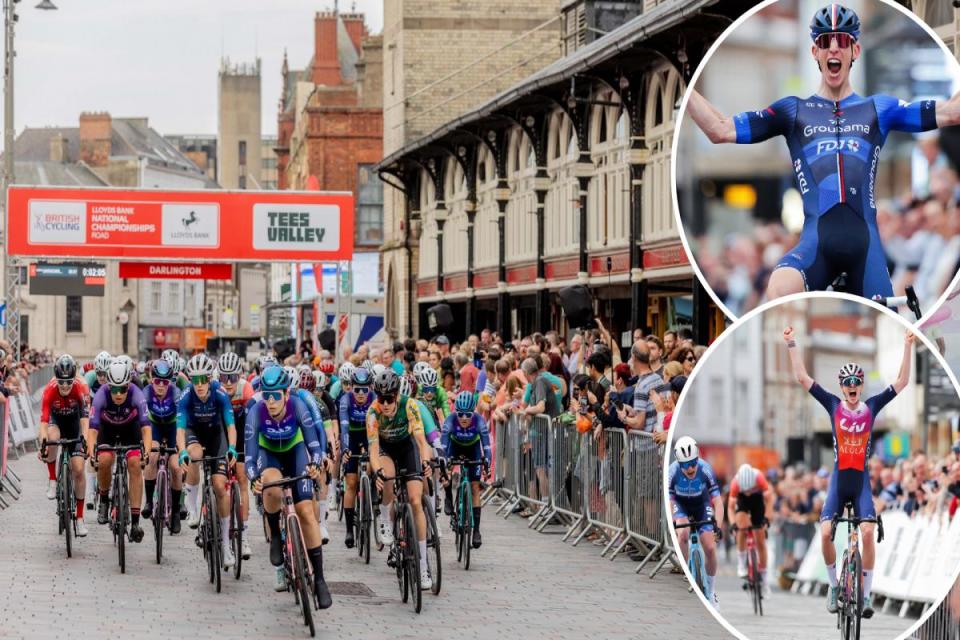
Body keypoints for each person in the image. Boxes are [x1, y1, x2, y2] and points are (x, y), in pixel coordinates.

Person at [686, 3, 960, 301]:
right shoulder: (793, 110)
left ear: (855, 51)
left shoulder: (880, 108)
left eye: (842, 41)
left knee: (889, 329)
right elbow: (719, 130)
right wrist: (683, 83)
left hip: (865, 248)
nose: (833, 49)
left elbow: (951, 112)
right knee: (778, 288)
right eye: (824, 42)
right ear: (814, 52)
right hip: (816, 243)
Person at [784, 325, 913, 617]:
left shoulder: (871, 406)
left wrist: (906, 345)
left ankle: (866, 597)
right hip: (840, 481)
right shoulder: (832, 405)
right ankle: (833, 586)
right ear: (842, 386)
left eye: (857, 381)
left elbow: (902, 382)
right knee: (827, 531)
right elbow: (802, 378)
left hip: (861, 482)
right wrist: (792, 343)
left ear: (861, 384)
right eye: (847, 382)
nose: (852, 386)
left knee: (867, 533)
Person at [246, 366, 332, 607]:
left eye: (276, 395)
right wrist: (254, 478)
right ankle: (275, 535)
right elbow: (250, 459)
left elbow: (314, 446)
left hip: (295, 452)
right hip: (269, 453)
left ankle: (320, 580)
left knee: (306, 512)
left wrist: (315, 463)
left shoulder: (298, 406)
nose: (271, 401)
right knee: (270, 484)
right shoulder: (256, 412)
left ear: (286, 393)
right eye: (266, 395)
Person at [366, 369, 435, 589]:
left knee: (415, 501)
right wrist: (376, 471)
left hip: (407, 446)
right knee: (386, 476)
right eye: (380, 399)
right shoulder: (373, 413)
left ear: (396, 396)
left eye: (389, 399)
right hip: (386, 448)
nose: (385, 404)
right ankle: (385, 520)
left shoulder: (410, 405)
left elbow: (422, 441)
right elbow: (374, 450)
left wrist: (425, 462)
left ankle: (423, 566)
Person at [176, 353, 239, 568]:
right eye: (195, 380)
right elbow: (180, 430)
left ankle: (225, 544)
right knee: (194, 455)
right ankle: (192, 506)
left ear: (210, 379)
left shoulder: (220, 394)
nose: (200, 385)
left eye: (204, 379)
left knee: (221, 487)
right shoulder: (185, 396)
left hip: (216, 435)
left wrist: (231, 448)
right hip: (194, 433)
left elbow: (231, 426)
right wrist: (181, 451)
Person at [87, 358, 152, 544]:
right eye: (114, 389)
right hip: (107, 430)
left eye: (122, 389)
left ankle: (136, 521)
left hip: (130, 430)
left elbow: (147, 430)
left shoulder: (137, 395)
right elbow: (92, 431)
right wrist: (92, 454)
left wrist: (146, 453)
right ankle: (104, 498)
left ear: (128, 385)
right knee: (105, 460)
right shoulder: (101, 395)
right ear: (108, 386)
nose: (118, 394)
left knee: (135, 464)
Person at [668, 435, 724, 611]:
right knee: (683, 533)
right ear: (679, 463)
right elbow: (670, 502)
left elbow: (718, 502)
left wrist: (718, 527)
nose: (691, 468)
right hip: (681, 505)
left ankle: (712, 589)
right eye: (686, 465)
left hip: (701, 504)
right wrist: (673, 524)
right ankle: (683, 569)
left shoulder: (705, 469)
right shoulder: (672, 472)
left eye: (693, 462)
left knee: (709, 547)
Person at [38, 354, 90, 537]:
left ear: (73, 379)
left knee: (78, 469)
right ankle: (53, 479)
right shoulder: (50, 390)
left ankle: (80, 518)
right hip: (56, 422)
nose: (66, 386)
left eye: (69, 382)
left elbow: (85, 420)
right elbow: (43, 422)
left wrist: (85, 441)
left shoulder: (81, 388)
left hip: (75, 425)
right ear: (56, 379)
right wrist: (43, 443)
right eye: (62, 382)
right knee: (51, 437)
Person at [440, 391, 492, 548]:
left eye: (467, 414)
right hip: (454, 447)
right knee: (445, 472)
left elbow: (487, 447)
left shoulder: (479, 422)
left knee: (475, 486)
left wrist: (486, 464)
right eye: (460, 414)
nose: (463, 418)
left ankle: (476, 531)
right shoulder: (450, 420)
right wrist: (444, 462)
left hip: (473, 449)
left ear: (473, 412)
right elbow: (443, 446)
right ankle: (448, 497)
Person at [217, 352, 254, 557]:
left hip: (241, 429)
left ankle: (245, 534)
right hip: (221, 430)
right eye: (224, 377)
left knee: (241, 479)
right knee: (218, 478)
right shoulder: (217, 390)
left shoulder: (246, 389)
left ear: (239, 376)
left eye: (233, 377)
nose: (229, 382)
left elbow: (251, 423)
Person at [141, 359, 183, 534]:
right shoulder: (146, 393)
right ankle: (149, 501)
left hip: (173, 428)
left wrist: (181, 446)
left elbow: (182, 422)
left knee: (175, 466)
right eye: (157, 381)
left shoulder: (176, 394)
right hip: (155, 427)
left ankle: (175, 513)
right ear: (152, 379)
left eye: (165, 382)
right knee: (152, 456)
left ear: (170, 382)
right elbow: (142, 422)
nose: (160, 385)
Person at [339, 366, 374, 549]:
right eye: (357, 389)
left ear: (371, 388)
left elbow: (379, 430)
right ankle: (349, 529)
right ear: (351, 388)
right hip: (351, 436)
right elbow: (344, 429)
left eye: (364, 389)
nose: (360, 394)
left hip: (370, 435)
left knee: (372, 466)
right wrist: (345, 449)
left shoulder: (375, 400)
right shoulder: (345, 401)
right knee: (351, 482)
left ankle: (372, 496)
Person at [729, 464, 775, 595]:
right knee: (741, 527)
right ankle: (741, 563)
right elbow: (731, 508)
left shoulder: (760, 478)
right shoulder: (735, 484)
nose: (748, 492)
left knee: (760, 540)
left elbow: (769, 500)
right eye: (746, 490)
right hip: (742, 501)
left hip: (757, 501)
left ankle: (765, 581)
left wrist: (767, 518)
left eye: (750, 489)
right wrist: (733, 524)